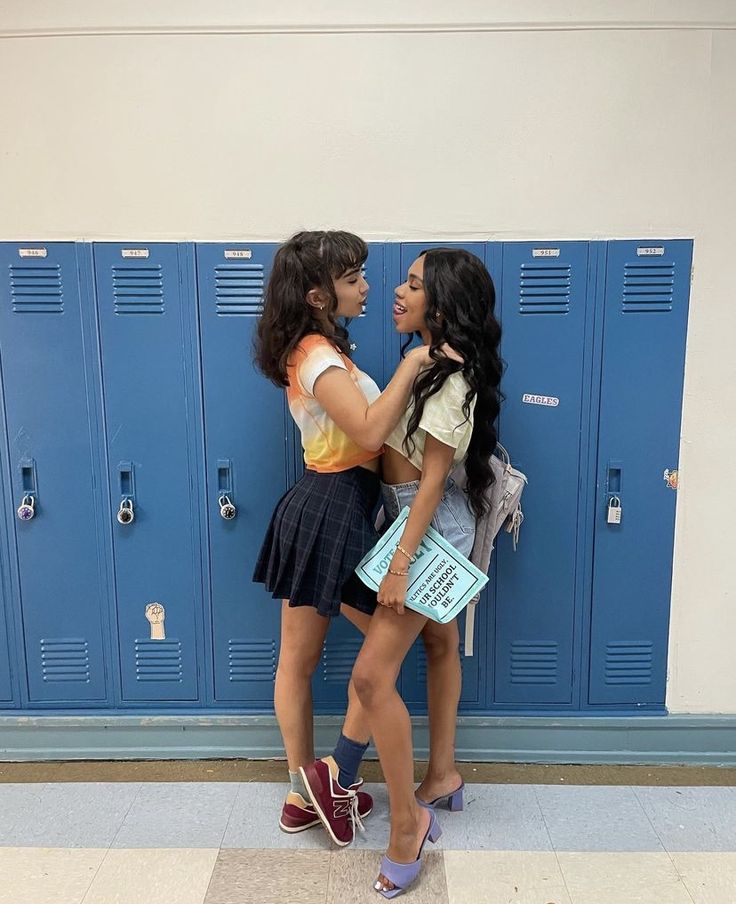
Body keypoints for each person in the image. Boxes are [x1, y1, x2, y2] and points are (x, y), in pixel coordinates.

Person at [304, 248, 502, 897]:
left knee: (370, 676)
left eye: (412, 286)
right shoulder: (426, 364)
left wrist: (398, 563)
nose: (395, 291)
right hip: (408, 514)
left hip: (427, 525)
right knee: (439, 643)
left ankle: (405, 826)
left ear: (440, 306)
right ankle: (439, 777)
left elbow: (435, 481)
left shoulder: (450, 374)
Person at [252, 231, 451, 839]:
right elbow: (367, 433)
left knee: (304, 658)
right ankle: (327, 781)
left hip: (328, 504)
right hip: (335, 504)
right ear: (317, 294)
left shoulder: (317, 349)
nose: (367, 287)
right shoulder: (316, 356)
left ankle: (306, 793)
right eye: (352, 278)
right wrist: (416, 361)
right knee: (368, 657)